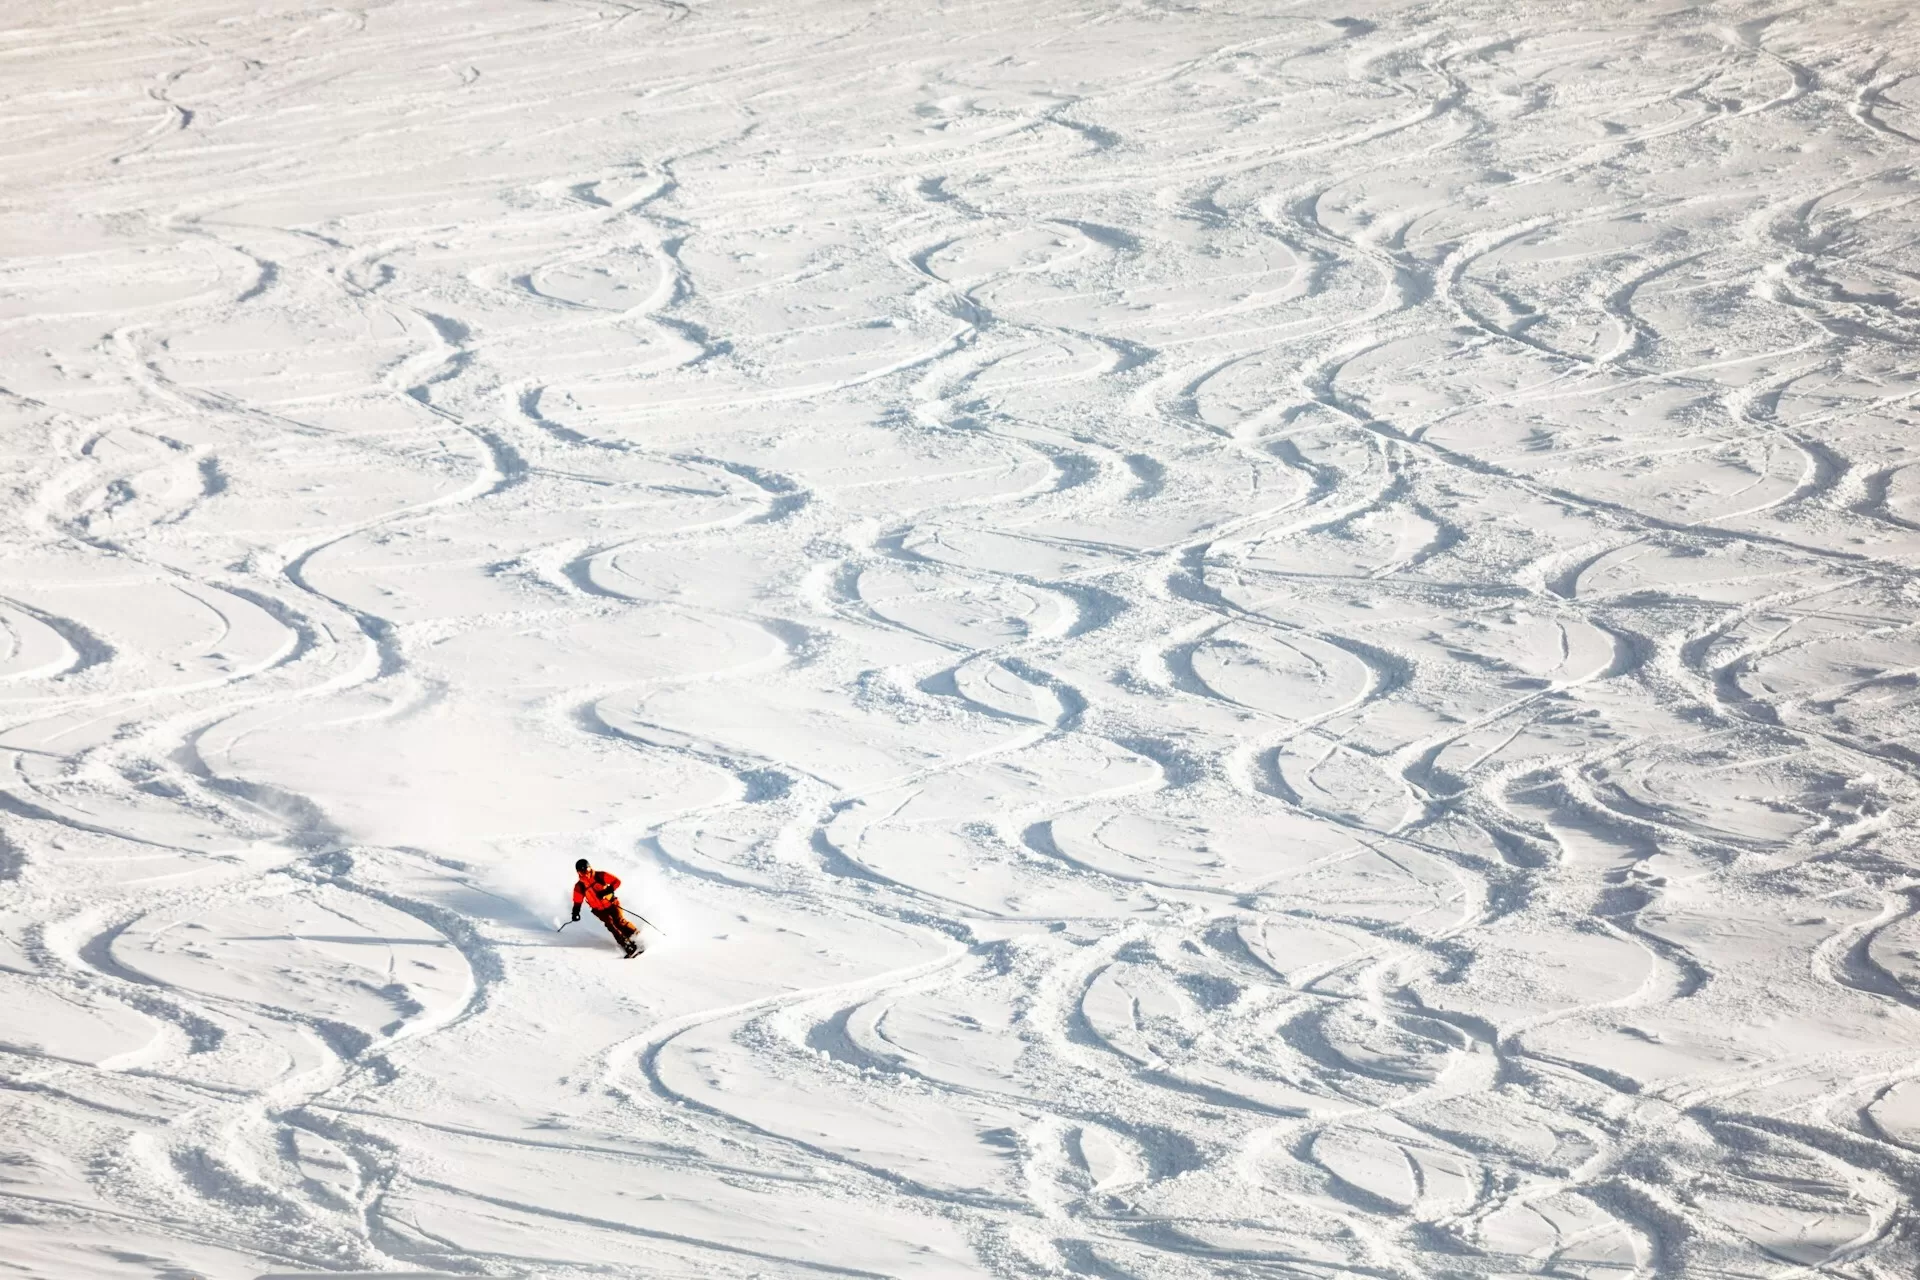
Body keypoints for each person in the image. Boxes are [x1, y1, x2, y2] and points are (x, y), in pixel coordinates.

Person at [572, 858, 642, 957]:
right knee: (611, 925)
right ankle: (627, 945)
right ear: (578, 872)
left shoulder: (600, 875)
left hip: (612, 904)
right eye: (582, 871)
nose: (585, 873)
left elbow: (617, 882)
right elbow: (577, 900)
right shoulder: (580, 886)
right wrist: (575, 913)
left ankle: (638, 938)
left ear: (590, 867)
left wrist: (605, 892)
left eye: (587, 869)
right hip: (599, 910)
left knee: (619, 922)